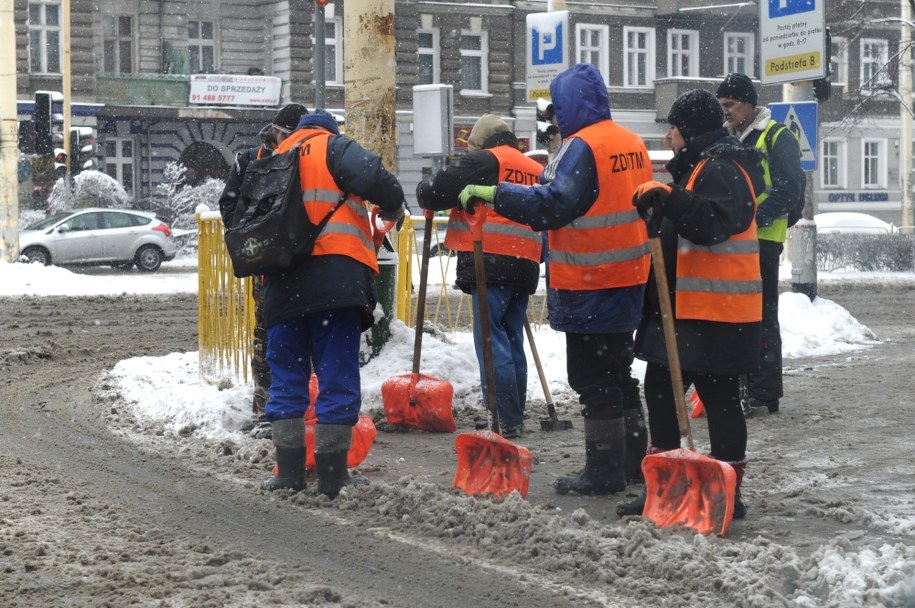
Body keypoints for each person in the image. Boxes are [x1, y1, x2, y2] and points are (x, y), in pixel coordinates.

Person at [458, 63, 652, 495]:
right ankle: (634, 464)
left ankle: (603, 473)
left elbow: (553, 204)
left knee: (592, 379)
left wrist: (496, 194)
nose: (557, 118)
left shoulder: (585, 146)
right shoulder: (631, 142)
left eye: (559, 108)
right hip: (630, 275)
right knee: (619, 372)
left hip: (591, 277)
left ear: (570, 105)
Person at [616, 89, 766, 519]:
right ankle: (666, 483)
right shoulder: (702, 166)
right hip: (688, 310)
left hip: (717, 311)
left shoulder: (724, 168)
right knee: (661, 389)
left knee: (717, 397)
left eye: (674, 129)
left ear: (692, 131)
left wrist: (671, 200)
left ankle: (726, 491)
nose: (669, 139)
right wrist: (664, 204)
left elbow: (715, 223)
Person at [261, 109, 406, 498]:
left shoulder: (274, 156)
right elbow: (378, 181)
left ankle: (288, 472)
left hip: (281, 282)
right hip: (334, 282)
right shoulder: (332, 147)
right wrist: (393, 207)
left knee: (287, 375)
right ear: (328, 129)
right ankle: (332, 474)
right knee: (336, 372)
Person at [416, 114, 544, 438]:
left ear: (479, 143)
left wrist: (431, 190)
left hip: (491, 258)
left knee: (491, 339)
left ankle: (500, 418)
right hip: (525, 260)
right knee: (512, 338)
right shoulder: (531, 167)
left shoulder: (486, 160)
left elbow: (433, 191)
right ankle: (512, 415)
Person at [717, 73, 806, 416]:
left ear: (749, 104)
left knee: (762, 316)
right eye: (721, 105)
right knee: (739, 316)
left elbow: (789, 189)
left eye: (730, 105)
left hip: (763, 241)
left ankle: (764, 392)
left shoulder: (776, 135)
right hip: (737, 241)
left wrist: (753, 219)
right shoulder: (732, 136)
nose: (724, 111)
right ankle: (744, 386)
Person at [218, 103, 309, 421]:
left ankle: (296, 405)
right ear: (278, 132)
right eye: (289, 134)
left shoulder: (306, 159)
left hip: (303, 264)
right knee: (267, 334)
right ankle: (264, 406)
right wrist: (252, 235)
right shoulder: (251, 161)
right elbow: (227, 205)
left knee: (300, 335)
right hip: (268, 267)